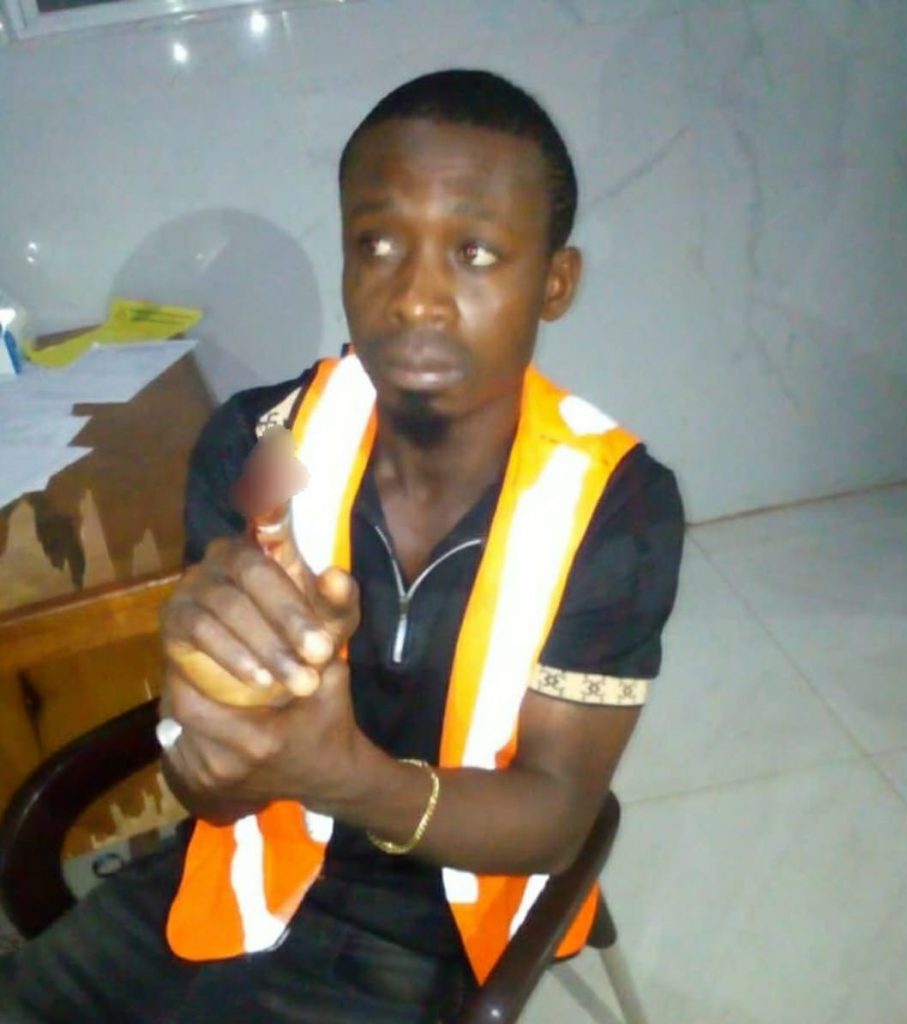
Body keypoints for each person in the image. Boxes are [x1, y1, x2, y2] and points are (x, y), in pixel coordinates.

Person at [0, 69, 684, 1023]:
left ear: (554, 281)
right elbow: (209, 778)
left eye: (475, 252)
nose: (415, 299)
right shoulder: (259, 444)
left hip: (440, 913)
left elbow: (557, 817)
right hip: (244, 864)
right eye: (379, 244)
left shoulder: (617, 508)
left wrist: (348, 779)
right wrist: (199, 738)